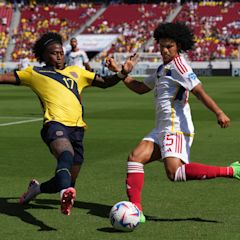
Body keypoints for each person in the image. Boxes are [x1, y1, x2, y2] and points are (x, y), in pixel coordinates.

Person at [109, 22, 239, 223]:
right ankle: (137, 211)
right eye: (161, 46)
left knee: (174, 172)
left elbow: (199, 92)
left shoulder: (180, 65)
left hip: (176, 127)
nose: (164, 50)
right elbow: (141, 88)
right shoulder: (163, 68)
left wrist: (219, 113)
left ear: (178, 45)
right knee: (135, 158)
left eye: (168, 46)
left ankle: (232, 171)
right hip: (161, 128)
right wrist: (121, 72)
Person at [0, 32, 135, 215]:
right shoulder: (35, 73)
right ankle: (65, 194)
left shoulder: (77, 72)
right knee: (66, 154)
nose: (59, 56)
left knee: (66, 178)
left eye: (61, 52)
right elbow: (4, 78)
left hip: (78, 129)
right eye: (54, 53)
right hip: (54, 125)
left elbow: (105, 83)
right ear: (45, 56)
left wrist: (122, 72)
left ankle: (37, 190)